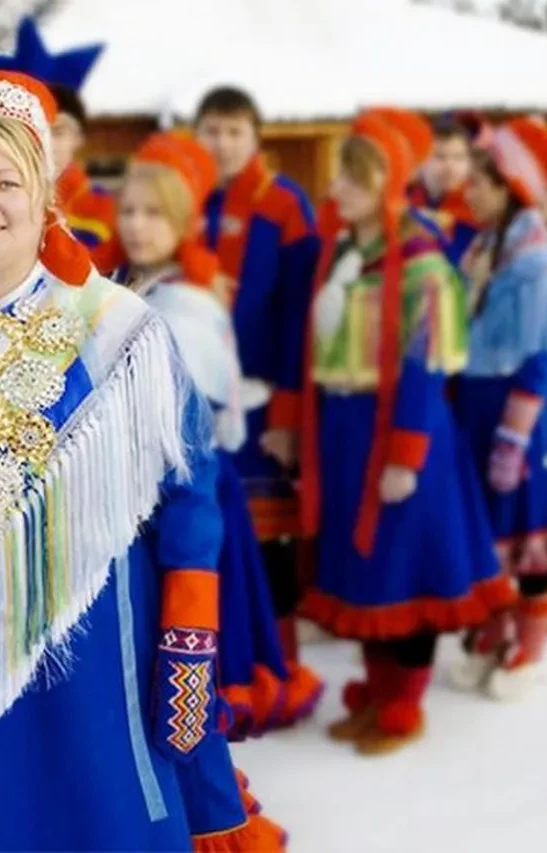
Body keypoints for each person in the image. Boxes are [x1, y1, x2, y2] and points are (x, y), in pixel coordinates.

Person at [0, 70, 265, 851]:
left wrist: (190, 630)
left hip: (88, 664)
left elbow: (191, 490)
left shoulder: (121, 332)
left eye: (8, 181)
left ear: (47, 195)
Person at [297, 108, 513, 755]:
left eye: (354, 182)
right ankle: (378, 683)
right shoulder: (342, 252)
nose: (338, 192)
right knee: (362, 564)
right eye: (341, 179)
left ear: (387, 185)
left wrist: (406, 454)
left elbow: (422, 364)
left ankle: (406, 696)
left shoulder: (421, 261)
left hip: (396, 429)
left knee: (406, 567)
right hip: (344, 429)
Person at [114, 131, 322, 739]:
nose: (136, 225)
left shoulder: (188, 306)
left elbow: (191, 434)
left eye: (153, 213)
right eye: (127, 211)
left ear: (182, 222)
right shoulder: (122, 287)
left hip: (183, 491)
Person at [450, 119, 547, 697]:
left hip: (520, 414)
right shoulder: (489, 246)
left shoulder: (538, 266)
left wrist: (514, 437)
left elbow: (541, 357)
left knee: (532, 536)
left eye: (480, 184)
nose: (468, 193)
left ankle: (531, 648)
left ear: (513, 187)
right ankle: (495, 631)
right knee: (494, 536)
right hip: (477, 407)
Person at [195, 85, 321, 666]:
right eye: (212, 131)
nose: (222, 144)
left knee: (269, 540)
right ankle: (220, 665)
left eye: (234, 132)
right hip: (193, 406)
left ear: (256, 138)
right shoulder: (181, 200)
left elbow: (303, 317)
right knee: (202, 535)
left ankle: (279, 664)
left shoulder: (286, 205)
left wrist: (290, 416)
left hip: (264, 405)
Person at [0, 15, 116, 252]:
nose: (41, 143)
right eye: (27, 130)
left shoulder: (112, 214)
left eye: (57, 132)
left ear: (79, 137)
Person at [408, 113, 480, 264]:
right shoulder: (406, 205)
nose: (450, 166)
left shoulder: (474, 211)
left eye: (459, 158)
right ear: (419, 164)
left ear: (470, 163)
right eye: (440, 157)